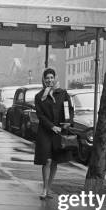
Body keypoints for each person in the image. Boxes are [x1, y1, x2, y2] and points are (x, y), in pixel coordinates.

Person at [34, 68, 74, 199]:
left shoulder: (62, 93)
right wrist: (52, 126)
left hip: (59, 131)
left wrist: (68, 121)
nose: (49, 80)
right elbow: (40, 115)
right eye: (47, 78)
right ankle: (44, 189)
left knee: (55, 161)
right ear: (44, 80)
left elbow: (68, 109)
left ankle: (49, 188)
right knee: (47, 160)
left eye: (51, 77)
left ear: (55, 78)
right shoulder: (39, 96)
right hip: (45, 131)